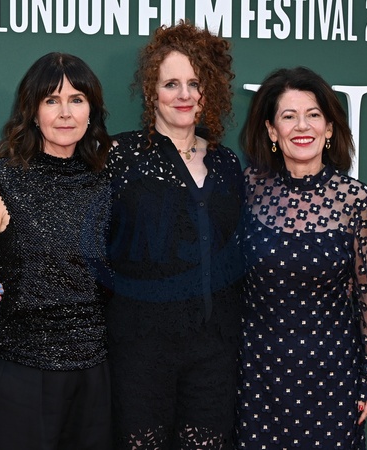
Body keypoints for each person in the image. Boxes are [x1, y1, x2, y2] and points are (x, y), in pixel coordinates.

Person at [0, 52, 113, 450]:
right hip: (21, 375)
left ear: (91, 110)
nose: (65, 113)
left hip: (96, 379)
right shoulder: (1, 180)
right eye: (51, 100)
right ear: (33, 111)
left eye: (77, 99)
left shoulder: (106, 181)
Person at [105, 22, 243, 448]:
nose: (184, 95)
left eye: (194, 83)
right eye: (171, 84)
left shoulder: (227, 163)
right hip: (141, 350)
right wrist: (8, 279)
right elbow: (75, 235)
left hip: (214, 354)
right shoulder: (119, 156)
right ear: (151, 92)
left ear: (209, 91)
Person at [236, 67, 367, 449]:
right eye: (289, 116)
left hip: (332, 375)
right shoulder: (246, 189)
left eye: (313, 115)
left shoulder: (355, 200)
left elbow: (366, 295)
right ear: (272, 131)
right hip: (257, 375)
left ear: (329, 128)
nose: (302, 126)